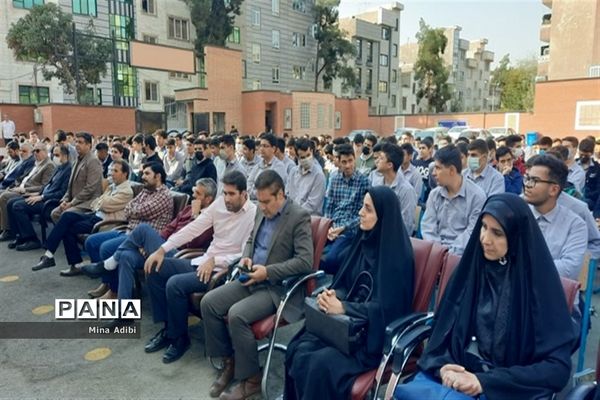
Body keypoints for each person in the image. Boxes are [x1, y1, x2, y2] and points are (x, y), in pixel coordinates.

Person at [394, 194, 578, 400]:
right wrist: (443, 367)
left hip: (504, 388)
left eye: (497, 233)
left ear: (516, 235)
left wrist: (485, 382)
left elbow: (556, 369)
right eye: (483, 227)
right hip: (452, 379)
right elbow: (440, 334)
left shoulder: (538, 287)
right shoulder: (469, 272)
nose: (485, 239)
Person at [284, 186, 414, 400]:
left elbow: (387, 310)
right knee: (298, 348)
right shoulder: (363, 243)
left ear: (383, 215)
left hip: (369, 339)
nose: (360, 212)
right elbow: (346, 282)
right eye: (362, 206)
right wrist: (333, 295)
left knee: (319, 365)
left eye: (368, 209)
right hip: (342, 326)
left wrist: (344, 307)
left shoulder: (397, 258)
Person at [199, 170, 313, 400]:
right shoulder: (262, 210)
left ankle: (251, 380)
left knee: (237, 314)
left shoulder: (298, 216)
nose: (261, 207)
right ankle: (230, 362)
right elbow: (252, 239)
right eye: (258, 201)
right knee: (209, 302)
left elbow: (305, 262)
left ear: (280, 194)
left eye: (266, 201)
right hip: (251, 275)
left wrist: (267, 272)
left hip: (276, 287)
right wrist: (246, 256)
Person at [142, 172, 257, 363]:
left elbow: (245, 252)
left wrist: (216, 260)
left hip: (222, 271)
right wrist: (162, 249)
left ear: (244, 193)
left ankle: (180, 339)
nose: (226, 198)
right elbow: (192, 229)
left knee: (175, 284)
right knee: (155, 268)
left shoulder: (253, 214)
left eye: (231, 194)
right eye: (225, 193)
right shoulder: (219, 204)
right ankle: (169, 329)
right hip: (202, 261)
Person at [31, 160, 134, 275]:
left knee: (67, 228)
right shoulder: (112, 187)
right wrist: (100, 202)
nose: (112, 174)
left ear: (125, 174)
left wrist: (99, 202)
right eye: (111, 171)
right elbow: (95, 203)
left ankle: (66, 261)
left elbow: (103, 204)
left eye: (116, 171)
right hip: (95, 215)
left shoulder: (126, 191)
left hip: (105, 221)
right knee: (66, 216)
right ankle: (50, 255)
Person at [523, 154, 587, 281]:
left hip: (553, 295)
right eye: (527, 178)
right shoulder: (516, 214)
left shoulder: (575, 225)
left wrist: (521, 265)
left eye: (534, 180)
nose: (527, 185)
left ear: (554, 189)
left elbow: (568, 270)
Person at [421, 145, 486, 255]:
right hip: (435, 253)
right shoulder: (434, 194)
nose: (433, 173)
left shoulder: (477, 196)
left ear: (452, 170)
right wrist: (438, 252)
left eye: (438, 168)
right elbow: (428, 227)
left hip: (462, 256)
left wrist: (448, 254)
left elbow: (471, 233)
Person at [7, 145, 72, 251]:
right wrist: (38, 194)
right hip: (42, 196)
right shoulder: (59, 168)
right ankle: (20, 236)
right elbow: (47, 185)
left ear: (65, 155)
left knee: (18, 206)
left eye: (57, 155)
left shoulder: (68, 170)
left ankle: (32, 239)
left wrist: (42, 197)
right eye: (53, 154)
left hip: (50, 202)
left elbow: (62, 193)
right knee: (10, 202)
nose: (54, 157)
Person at [321, 143, 369, 274]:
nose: (347, 165)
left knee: (330, 259)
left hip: (350, 229)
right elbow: (329, 206)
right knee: (311, 252)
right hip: (332, 226)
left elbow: (363, 215)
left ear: (355, 159)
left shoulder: (364, 181)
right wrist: (328, 226)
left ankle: (333, 285)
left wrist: (343, 227)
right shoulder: (334, 178)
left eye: (350, 161)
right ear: (338, 162)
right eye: (344, 162)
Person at [0, 143, 55, 241]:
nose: (35, 153)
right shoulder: (37, 164)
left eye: (38, 151)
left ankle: (9, 230)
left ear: (45, 152)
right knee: (6, 197)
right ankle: (13, 231)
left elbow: (44, 186)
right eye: (34, 151)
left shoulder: (49, 165)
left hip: (31, 192)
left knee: (5, 197)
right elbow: (25, 178)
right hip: (22, 188)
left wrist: (24, 190)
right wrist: (17, 186)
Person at [50, 132, 103, 223]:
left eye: (80, 142)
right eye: (76, 142)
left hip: (88, 202)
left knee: (65, 214)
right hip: (74, 201)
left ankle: (63, 236)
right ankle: (67, 237)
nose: (77, 145)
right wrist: (65, 200)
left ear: (89, 145)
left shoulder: (93, 161)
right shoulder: (76, 160)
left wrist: (72, 203)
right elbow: (70, 185)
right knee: (54, 213)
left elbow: (90, 188)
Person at [370, 143, 417, 235]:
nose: (377, 161)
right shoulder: (377, 184)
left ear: (389, 165)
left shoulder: (406, 190)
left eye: (381, 158)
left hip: (394, 237)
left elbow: (406, 225)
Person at [285, 138, 326, 215]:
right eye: (303, 157)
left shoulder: (318, 175)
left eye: (308, 155)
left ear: (312, 152)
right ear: (297, 157)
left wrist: (293, 214)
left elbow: (311, 205)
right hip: (291, 214)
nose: (307, 159)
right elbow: (287, 195)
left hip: (309, 217)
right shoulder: (293, 172)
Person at [246, 134, 288, 200]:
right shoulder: (257, 166)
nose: (261, 149)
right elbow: (249, 183)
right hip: (253, 202)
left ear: (273, 149)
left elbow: (271, 190)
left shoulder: (279, 167)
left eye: (265, 146)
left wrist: (255, 194)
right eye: (261, 146)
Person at [577, 138, 600, 211]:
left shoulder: (597, 168)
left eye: (586, 155)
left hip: (589, 200)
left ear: (591, 153)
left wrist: (586, 195)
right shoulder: (573, 166)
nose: (583, 157)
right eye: (581, 154)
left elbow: (598, 189)